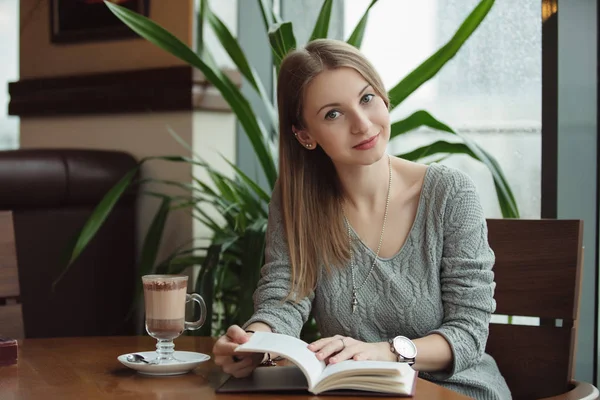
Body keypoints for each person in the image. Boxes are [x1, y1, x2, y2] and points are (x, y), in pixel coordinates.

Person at [212, 38, 511, 400]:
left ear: (383, 97)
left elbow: (470, 332)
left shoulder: (450, 194)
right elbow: (285, 297)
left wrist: (384, 353)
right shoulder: (298, 200)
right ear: (305, 135)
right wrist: (254, 341)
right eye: (332, 114)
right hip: (355, 393)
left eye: (366, 98)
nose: (362, 124)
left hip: (454, 390)